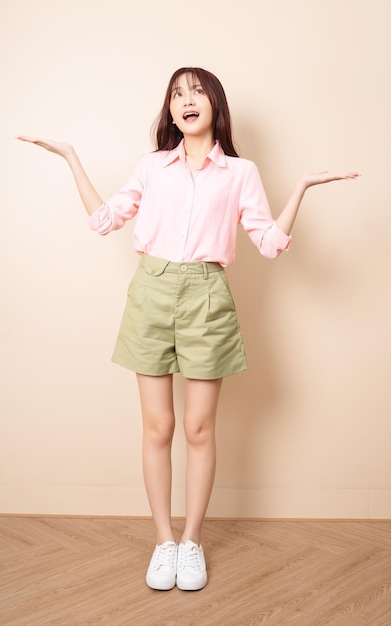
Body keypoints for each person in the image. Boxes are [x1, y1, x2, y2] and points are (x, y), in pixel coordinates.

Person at [18, 66, 358, 592]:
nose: (186, 100)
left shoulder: (241, 173)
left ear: (215, 105)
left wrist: (301, 189)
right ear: (170, 111)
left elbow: (267, 243)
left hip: (207, 295)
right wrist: (71, 157)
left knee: (199, 429)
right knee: (158, 428)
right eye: (177, 94)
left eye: (196, 91)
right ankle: (163, 544)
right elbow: (106, 219)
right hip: (151, 291)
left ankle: (192, 541)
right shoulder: (153, 167)